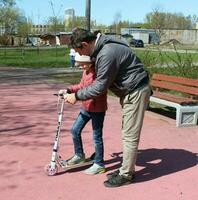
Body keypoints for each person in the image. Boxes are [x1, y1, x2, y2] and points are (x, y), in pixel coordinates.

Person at [64, 27, 152, 187]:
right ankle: (125, 168)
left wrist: (76, 96)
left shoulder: (106, 53)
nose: (83, 56)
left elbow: (99, 87)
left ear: (85, 44)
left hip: (136, 90)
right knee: (127, 132)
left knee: (129, 135)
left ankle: (126, 174)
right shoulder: (105, 45)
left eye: (80, 51)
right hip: (132, 90)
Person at [60, 53, 107, 175]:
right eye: (79, 64)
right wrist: (69, 89)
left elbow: (93, 92)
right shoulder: (85, 72)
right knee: (75, 130)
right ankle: (79, 155)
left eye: (82, 64)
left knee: (97, 137)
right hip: (86, 108)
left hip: (97, 109)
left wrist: (75, 97)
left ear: (91, 62)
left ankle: (99, 164)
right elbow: (81, 86)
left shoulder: (98, 74)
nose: (80, 67)